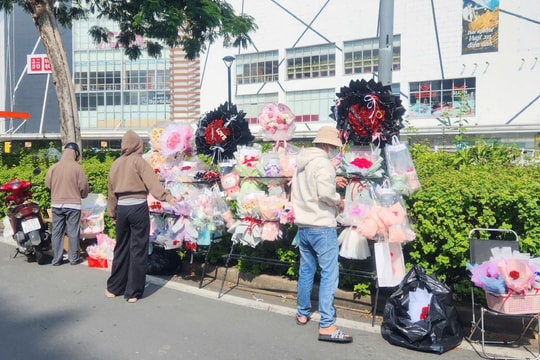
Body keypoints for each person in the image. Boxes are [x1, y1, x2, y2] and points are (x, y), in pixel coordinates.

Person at [291, 126, 353, 344]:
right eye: (334, 147)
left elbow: (307, 188)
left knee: (306, 270)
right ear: (328, 145)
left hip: (304, 226)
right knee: (329, 273)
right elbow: (325, 194)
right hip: (321, 226)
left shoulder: (301, 163)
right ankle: (327, 325)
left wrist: (332, 182)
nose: (334, 151)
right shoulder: (324, 163)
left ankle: (302, 312)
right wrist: (339, 200)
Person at [105, 130, 176, 303]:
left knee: (121, 248)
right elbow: (153, 184)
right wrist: (167, 197)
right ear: (138, 145)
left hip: (121, 208)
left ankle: (114, 288)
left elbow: (111, 192)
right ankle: (133, 292)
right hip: (137, 207)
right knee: (138, 249)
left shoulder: (115, 164)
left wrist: (112, 213)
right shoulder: (139, 162)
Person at [45, 142, 89, 266]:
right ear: (75, 154)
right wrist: (83, 195)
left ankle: (56, 259)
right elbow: (83, 187)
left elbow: (47, 185)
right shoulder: (77, 168)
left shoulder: (54, 167)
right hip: (73, 205)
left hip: (57, 204)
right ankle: (73, 258)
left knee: (57, 231)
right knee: (73, 232)